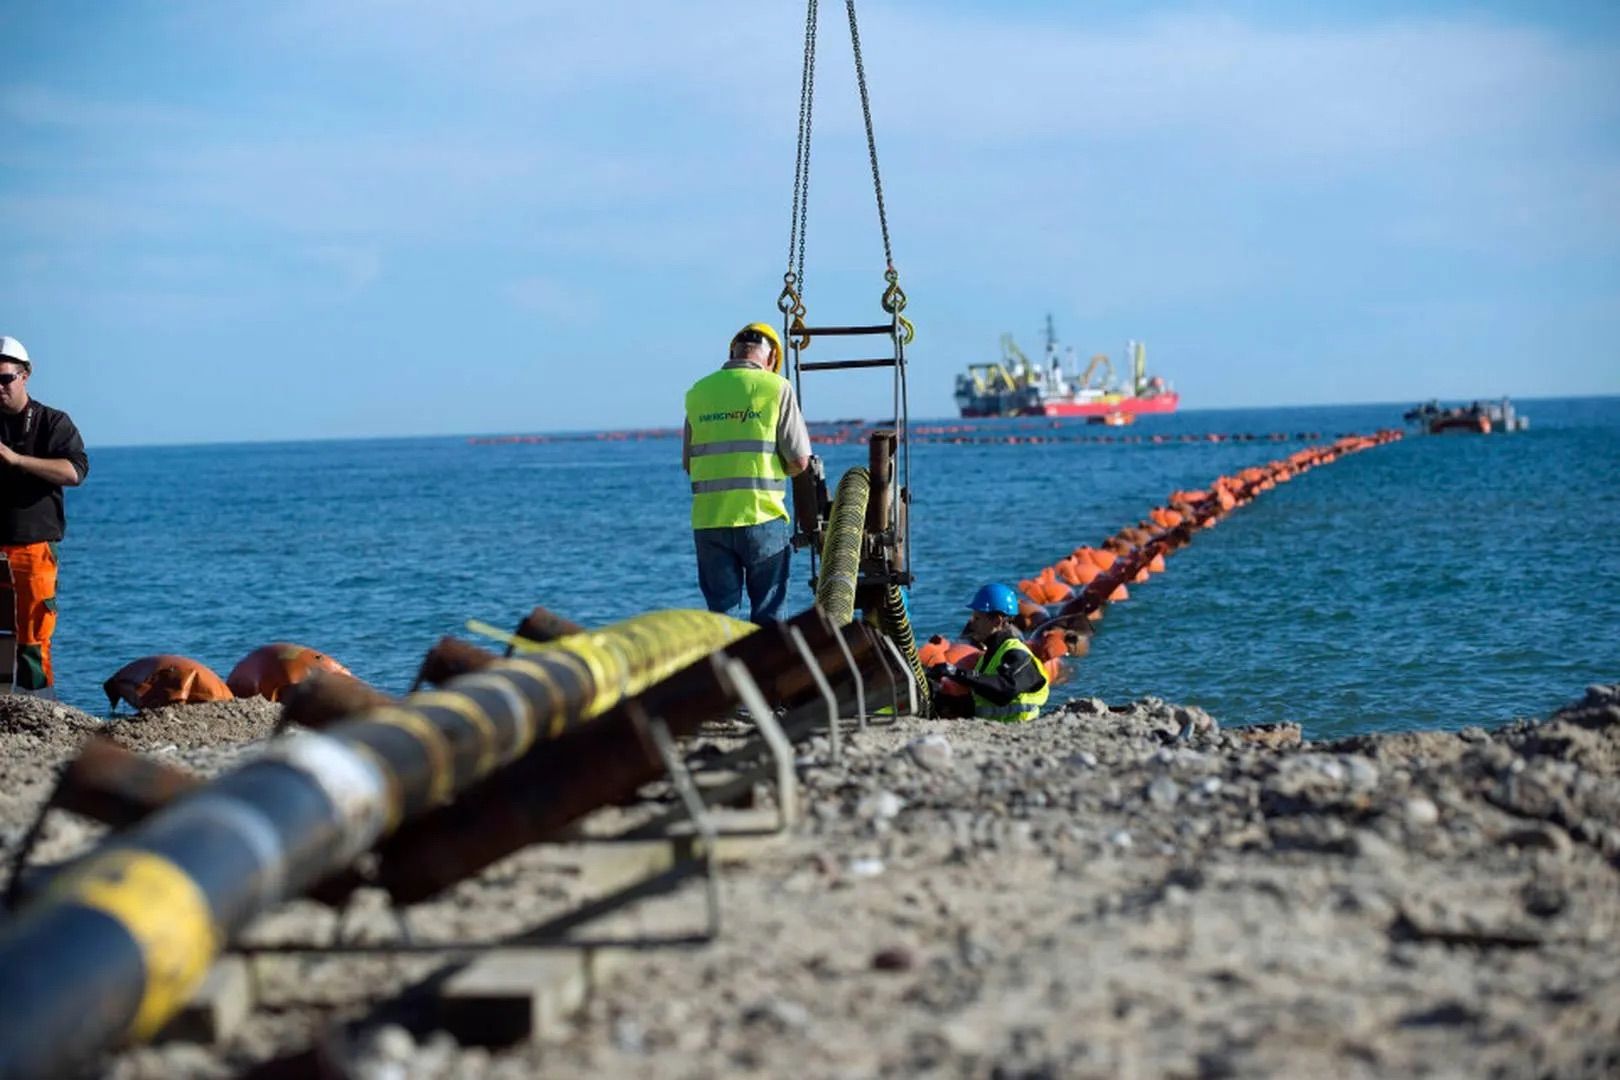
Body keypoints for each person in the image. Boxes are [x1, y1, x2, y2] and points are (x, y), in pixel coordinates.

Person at [682, 322, 811, 624]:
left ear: (733, 350)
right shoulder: (776, 387)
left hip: (709, 521)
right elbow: (801, 461)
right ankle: (767, 672)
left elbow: (689, 462)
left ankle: (724, 671)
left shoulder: (698, 392)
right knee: (769, 618)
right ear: (771, 359)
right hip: (761, 517)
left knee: (720, 620)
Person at [0, 336, 88, 695]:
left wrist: (16, 460)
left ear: (25, 375)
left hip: (32, 548)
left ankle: (39, 711)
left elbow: (75, 473)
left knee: (33, 639)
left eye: (5, 378)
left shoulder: (52, 422)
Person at [929, 583, 1050, 723]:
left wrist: (955, 672)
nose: (971, 624)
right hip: (996, 729)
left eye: (977, 618)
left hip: (1021, 730)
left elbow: (1004, 691)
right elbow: (982, 700)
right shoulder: (989, 655)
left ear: (997, 621)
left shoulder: (1017, 654)